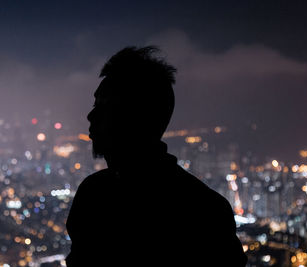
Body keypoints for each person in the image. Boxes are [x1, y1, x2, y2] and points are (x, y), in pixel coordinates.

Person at [66, 46, 247, 267]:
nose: (91, 115)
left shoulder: (95, 194)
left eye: (105, 105)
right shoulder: (207, 209)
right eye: (95, 104)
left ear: (138, 117)